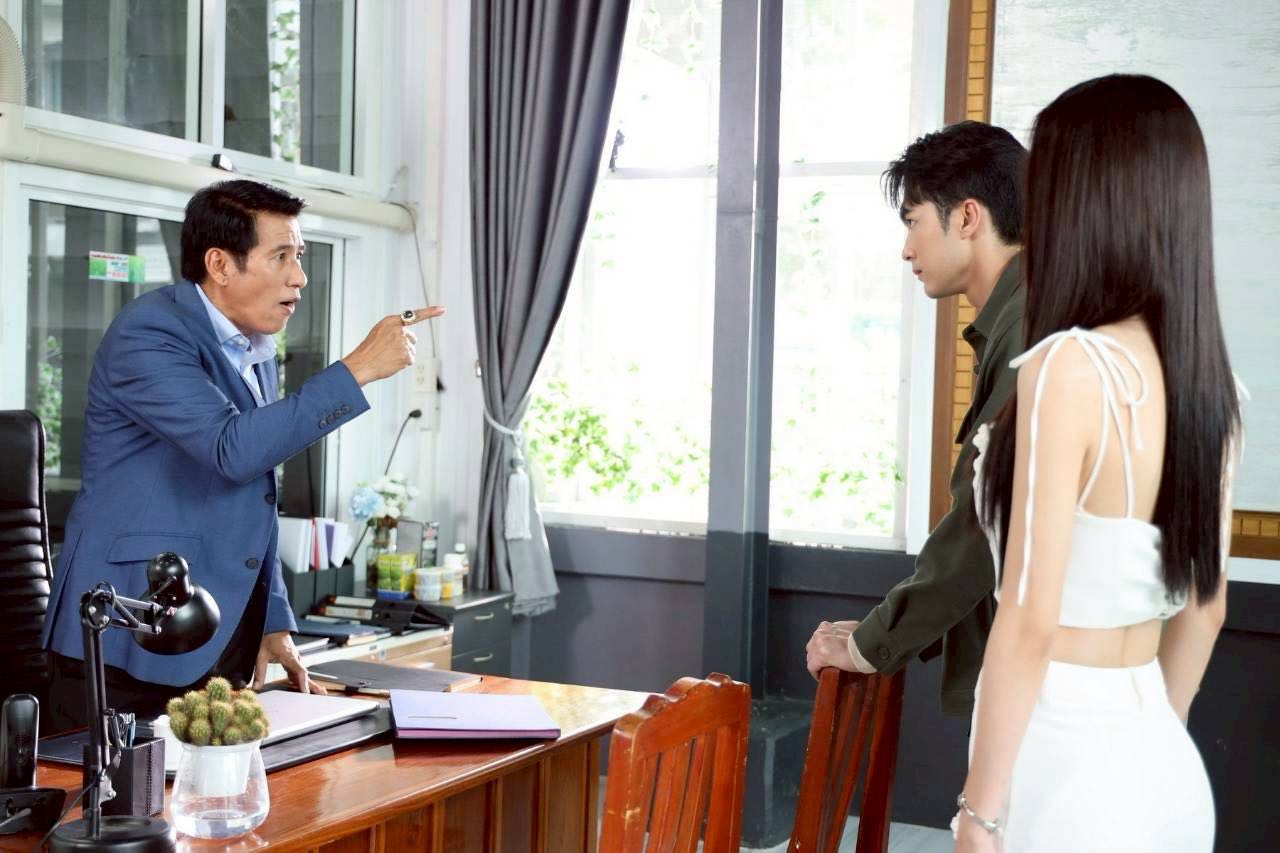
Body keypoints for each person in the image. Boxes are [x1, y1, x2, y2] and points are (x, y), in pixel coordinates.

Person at [954, 74, 1240, 852]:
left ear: (1082, 201)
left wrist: (979, 813)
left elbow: (1029, 619)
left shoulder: (1070, 367)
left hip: (1062, 763)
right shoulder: (1209, 385)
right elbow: (1205, 609)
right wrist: (1149, 745)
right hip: (1162, 762)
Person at [42, 179, 444, 730]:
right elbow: (230, 449)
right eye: (280, 256)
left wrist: (271, 617)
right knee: (123, 786)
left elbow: (256, 493)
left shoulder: (252, 346)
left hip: (219, 630)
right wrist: (358, 370)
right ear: (220, 264)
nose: (299, 277)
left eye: (299, 256)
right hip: (131, 635)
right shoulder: (149, 332)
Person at [804, 122, 1028, 717]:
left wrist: (872, 642)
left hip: (1036, 687)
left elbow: (986, 519)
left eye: (912, 221)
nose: (907, 249)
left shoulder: (1028, 327)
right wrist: (879, 631)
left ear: (968, 216)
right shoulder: (1022, 315)